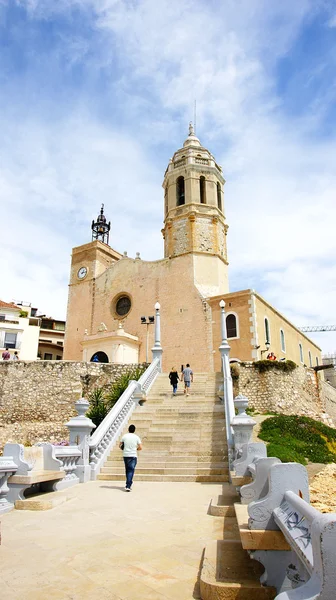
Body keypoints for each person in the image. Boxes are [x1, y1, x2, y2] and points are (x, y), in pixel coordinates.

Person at [119, 424, 142, 492]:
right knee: (131, 470)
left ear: (128, 429)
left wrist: (124, 449)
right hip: (133, 455)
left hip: (126, 455)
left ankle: (128, 483)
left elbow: (120, 445)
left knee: (127, 470)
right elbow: (140, 447)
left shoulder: (124, 436)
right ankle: (128, 485)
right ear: (134, 430)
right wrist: (136, 449)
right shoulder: (136, 437)